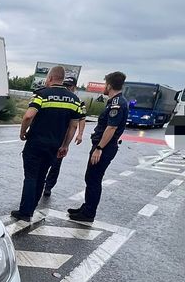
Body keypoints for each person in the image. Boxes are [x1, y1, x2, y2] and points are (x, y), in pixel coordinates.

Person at [11, 65, 84, 221]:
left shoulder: (42, 95)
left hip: (35, 143)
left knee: (30, 177)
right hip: (54, 146)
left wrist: (23, 132)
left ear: (50, 78)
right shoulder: (74, 100)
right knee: (41, 177)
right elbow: (73, 126)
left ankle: (25, 211)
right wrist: (65, 145)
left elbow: (28, 116)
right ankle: (32, 208)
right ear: (62, 79)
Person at [68, 71, 128, 223]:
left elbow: (111, 128)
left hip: (105, 147)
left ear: (109, 85)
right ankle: (87, 207)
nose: (104, 87)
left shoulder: (117, 103)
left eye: (105, 84)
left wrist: (99, 148)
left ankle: (89, 213)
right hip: (104, 146)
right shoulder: (116, 101)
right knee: (91, 177)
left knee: (94, 179)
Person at [42, 74, 86, 197]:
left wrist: (80, 134)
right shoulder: (56, 96)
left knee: (56, 163)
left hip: (64, 137)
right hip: (51, 134)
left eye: (70, 86)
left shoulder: (77, 101)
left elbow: (81, 119)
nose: (67, 88)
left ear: (74, 87)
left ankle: (48, 186)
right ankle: (41, 182)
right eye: (65, 85)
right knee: (44, 161)